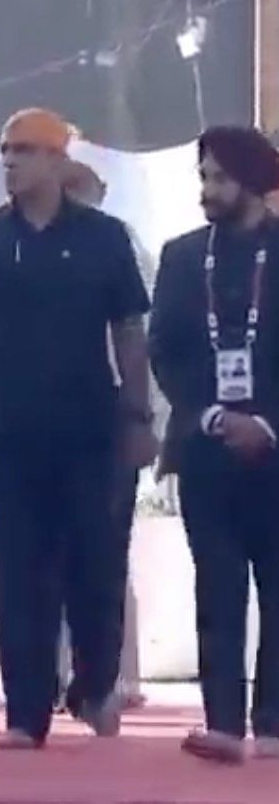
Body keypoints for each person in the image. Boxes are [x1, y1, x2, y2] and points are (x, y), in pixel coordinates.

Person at [0, 109, 156, 750]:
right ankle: (26, 714)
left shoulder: (106, 238)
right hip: (3, 428)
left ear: (58, 160)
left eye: (25, 151)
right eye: (4, 151)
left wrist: (139, 417)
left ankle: (97, 687)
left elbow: (129, 332)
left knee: (96, 562)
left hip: (89, 428)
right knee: (16, 569)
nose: (11, 162)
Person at [150, 126, 279, 764]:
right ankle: (222, 722)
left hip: (276, 449)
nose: (208, 190)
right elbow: (165, 353)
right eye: (203, 177)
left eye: (220, 178)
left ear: (254, 182)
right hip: (205, 449)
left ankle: (276, 725)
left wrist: (266, 423)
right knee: (218, 586)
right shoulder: (180, 256)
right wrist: (210, 417)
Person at [54, 158, 149, 714]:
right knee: (48, 557)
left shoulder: (120, 245)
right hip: (49, 421)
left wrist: (141, 419)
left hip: (110, 421)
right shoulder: (21, 242)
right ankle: (55, 676)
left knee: (107, 555)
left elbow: (139, 338)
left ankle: (115, 678)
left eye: (79, 190)